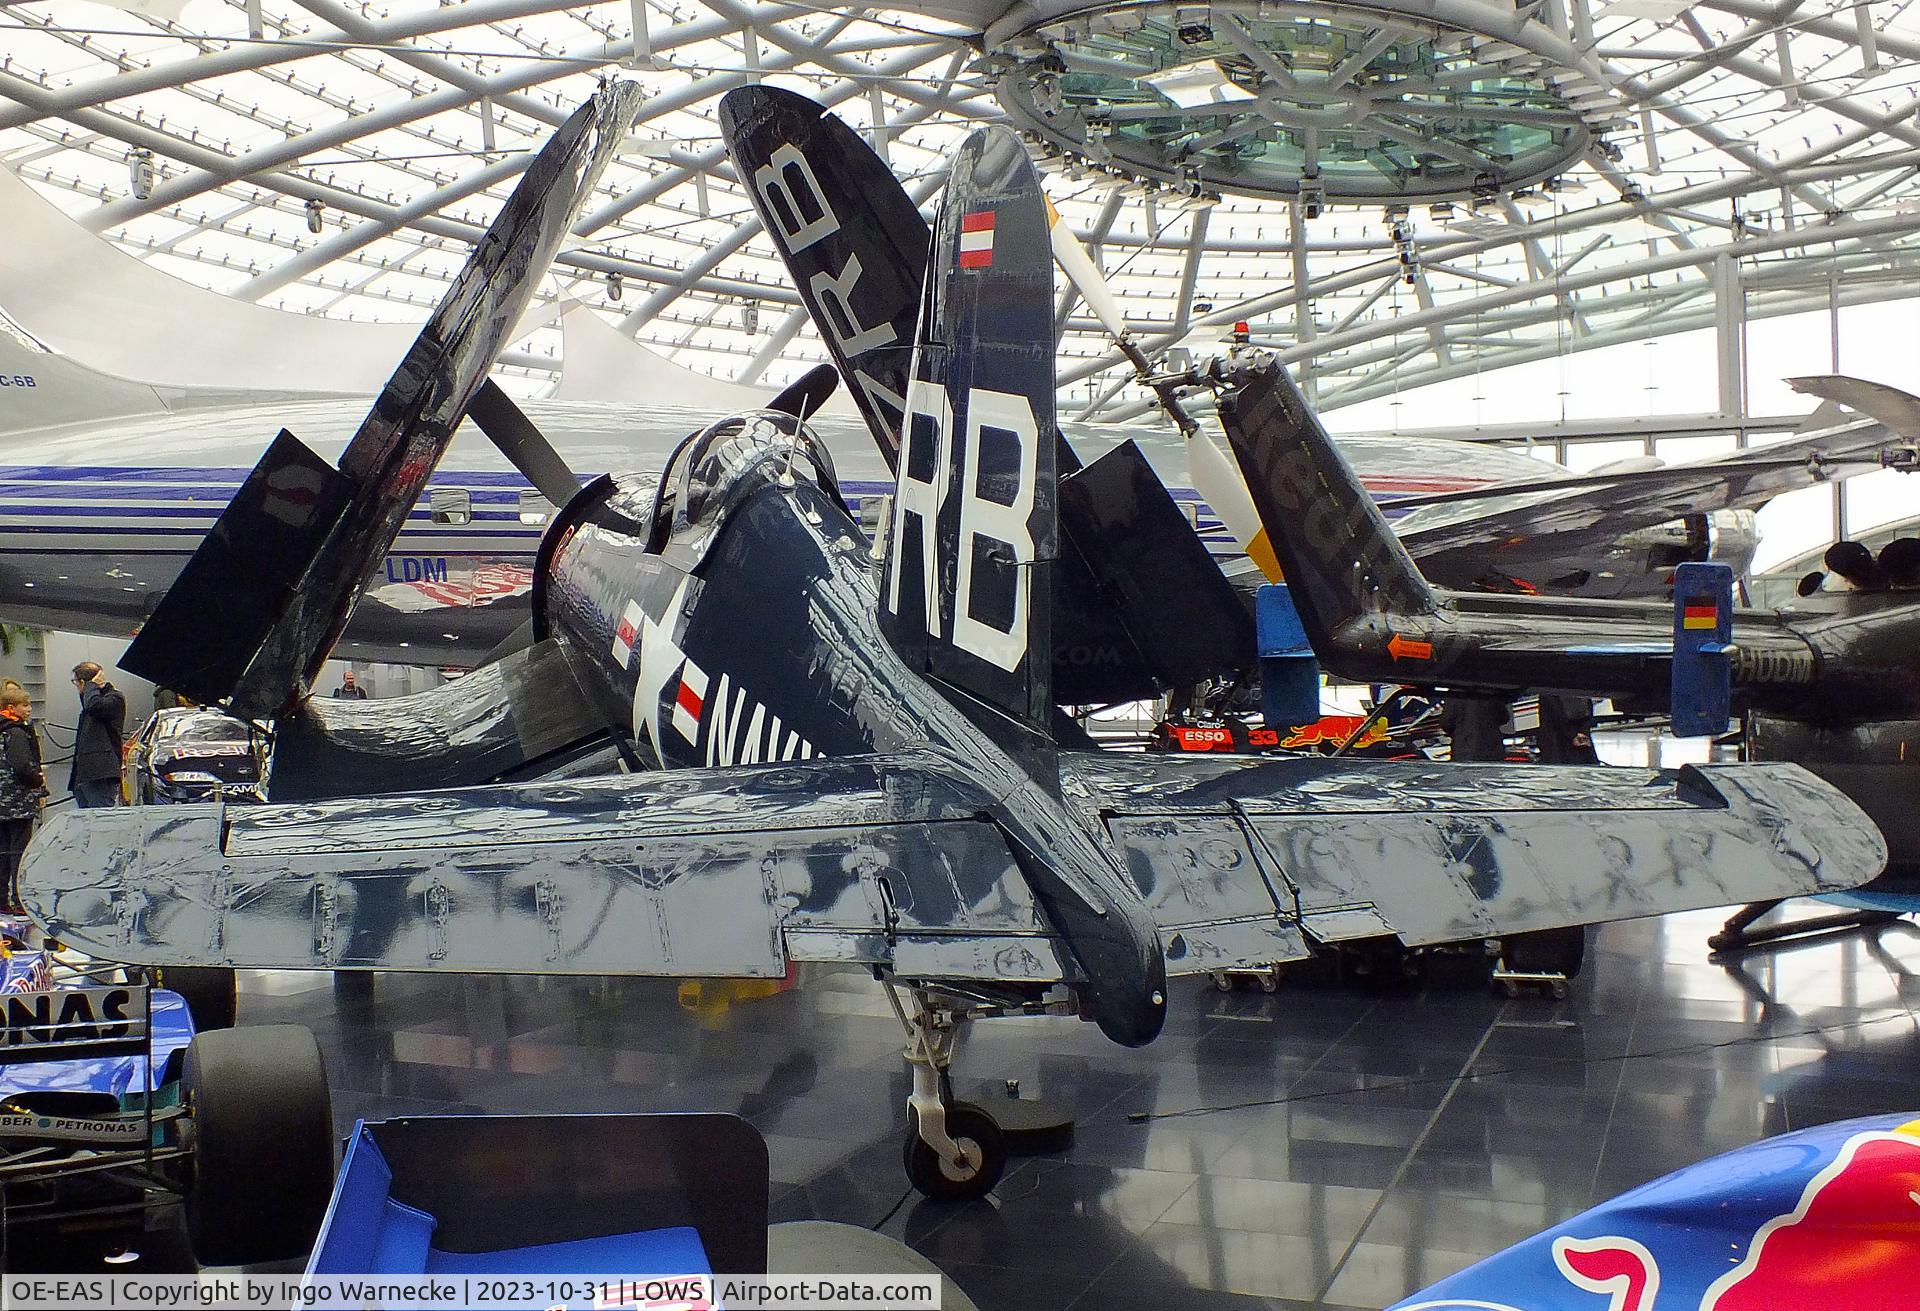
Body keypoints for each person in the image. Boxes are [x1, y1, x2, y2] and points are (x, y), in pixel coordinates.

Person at [0, 685, 45, 912]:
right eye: (25, 705)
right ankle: (19, 900)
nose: (29, 709)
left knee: (3, 851)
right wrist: (37, 780)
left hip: (2, 803)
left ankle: (2, 900)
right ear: (11, 708)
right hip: (17, 802)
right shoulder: (17, 732)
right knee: (19, 851)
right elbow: (22, 766)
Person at [68, 661, 126, 809]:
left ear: (83, 682)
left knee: (101, 818)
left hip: (102, 772)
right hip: (84, 774)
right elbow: (89, 704)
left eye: (76, 682)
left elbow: (94, 706)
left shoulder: (114, 698)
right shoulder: (91, 700)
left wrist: (91, 685)